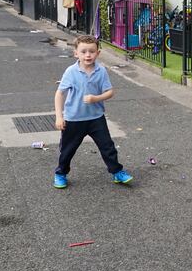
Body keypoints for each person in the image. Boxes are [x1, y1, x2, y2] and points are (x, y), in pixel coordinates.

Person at [53, 35, 133, 189]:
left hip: (96, 118)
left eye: (91, 51)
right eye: (83, 52)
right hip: (74, 119)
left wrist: (96, 98)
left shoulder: (101, 71)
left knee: (107, 146)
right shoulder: (71, 72)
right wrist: (59, 116)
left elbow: (110, 92)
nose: (88, 55)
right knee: (67, 150)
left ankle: (117, 172)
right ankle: (60, 173)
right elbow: (60, 93)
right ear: (76, 53)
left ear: (98, 53)